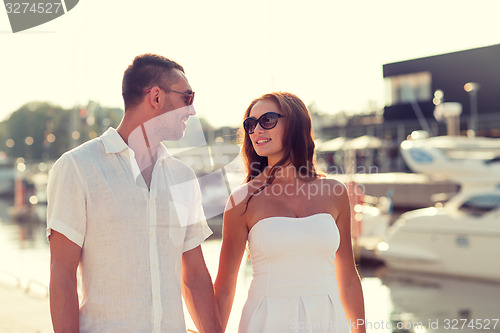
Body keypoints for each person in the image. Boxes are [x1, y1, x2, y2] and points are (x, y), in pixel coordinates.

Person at [47, 54, 222, 332]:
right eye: (187, 98)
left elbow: (195, 277)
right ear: (156, 97)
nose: (192, 110)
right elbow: (62, 274)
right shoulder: (77, 167)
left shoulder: (183, 177)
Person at [214, 92, 366, 333]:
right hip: (266, 323)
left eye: (267, 120)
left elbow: (347, 278)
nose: (256, 131)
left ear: (295, 124)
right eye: (251, 125)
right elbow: (224, 288)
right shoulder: (242, 200)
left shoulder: (335, 192)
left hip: (328, 321)